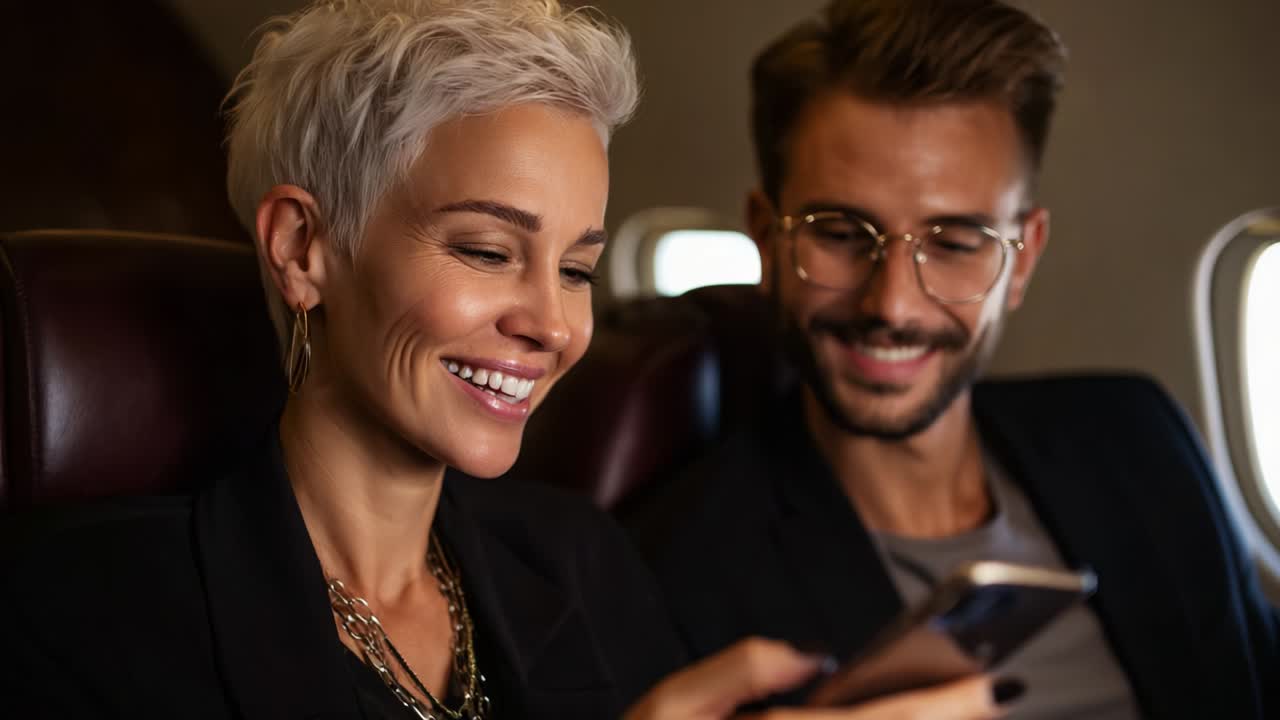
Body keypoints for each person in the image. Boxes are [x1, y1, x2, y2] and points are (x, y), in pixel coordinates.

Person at [0, 1, 1017, 718]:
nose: (551, 323)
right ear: (305, 250)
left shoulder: (581, 560)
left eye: (575, 268)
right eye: (487, 252)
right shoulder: (78, 611)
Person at [631, 1, 1280, 718]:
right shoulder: (670, 572)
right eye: (842, 233)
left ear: (1023, 258)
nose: (893, 306)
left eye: (955, 242)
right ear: (765, 237)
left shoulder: (1140, 435)